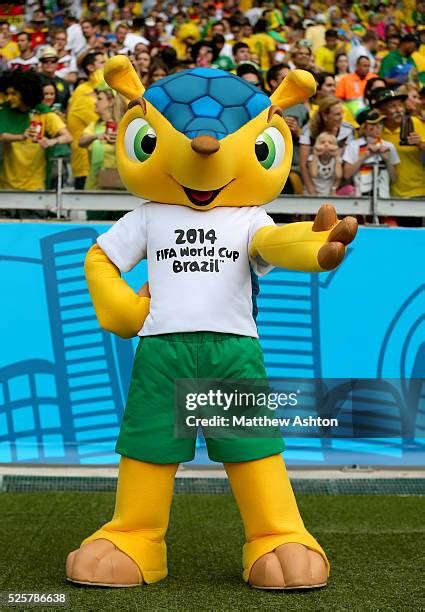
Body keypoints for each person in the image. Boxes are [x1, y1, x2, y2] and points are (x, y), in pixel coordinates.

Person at [0, 71, 71, 191]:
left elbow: (67, 136)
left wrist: (52, 141)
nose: (9, 98)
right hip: (5, 185)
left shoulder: (43, 112)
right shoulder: (3, 111)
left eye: (14, 94)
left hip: (36, 185)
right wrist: (21, 137)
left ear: (25, 93)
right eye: (8, 93)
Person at [373, 88, 425, 201]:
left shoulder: (415, 123)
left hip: (417, 190)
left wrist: (420, 144)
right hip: (386, 193)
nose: (398, 110)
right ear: (382, 111)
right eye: (392, 106)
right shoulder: (377, 130)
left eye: (400, 105)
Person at [299, 95, 354, 195]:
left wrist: (334, 189)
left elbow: (346, 163)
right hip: (313, 180)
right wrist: (312, 191)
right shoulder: (308, 130)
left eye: (342, 113)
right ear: (325, 116)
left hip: (336, 181)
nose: (341, 117)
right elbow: (303, 165)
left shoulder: (348, 131)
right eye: (337, 114)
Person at [67, 51, 106, 189]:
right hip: (86, 165)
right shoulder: (83, 91)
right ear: (90, 68)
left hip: (98, 163)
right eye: (102, 63)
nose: (107, 67)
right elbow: (105, 118)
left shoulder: (95, 89)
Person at [342, 108, 400, 198]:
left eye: (380, 123)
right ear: (363, 128)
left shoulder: (388, 146)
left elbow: (395, 178)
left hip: (383, 199)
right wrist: (365, 156)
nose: (378, 127)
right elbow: (346, 174)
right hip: (360, 199)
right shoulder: (354, 145)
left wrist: (386, 160)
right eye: (373, 124)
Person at [79, 86, 121, 195]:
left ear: (111, 101)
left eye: (99, 99)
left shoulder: (124, 124)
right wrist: (96, 136)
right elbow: (81, 142)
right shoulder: (94, 125)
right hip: (94, 186)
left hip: (118, 187)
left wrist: (122, 140)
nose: (95, 102)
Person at [305, 131, 343, 196]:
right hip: (313, 192)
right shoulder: (312, 158)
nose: (326, 144)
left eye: (330, 143)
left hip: (329, 192)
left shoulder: (337, 159)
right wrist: (315, 155)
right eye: (322, 142)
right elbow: (314, 174)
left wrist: (336, 156)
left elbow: (338, 176)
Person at [38, 46, 71, 112]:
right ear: (41, 64)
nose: (49, 63)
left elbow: (67, 105)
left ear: (57, 64)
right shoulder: (34, 81)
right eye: (45, 61)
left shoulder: (64, 83)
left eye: (53, 61)